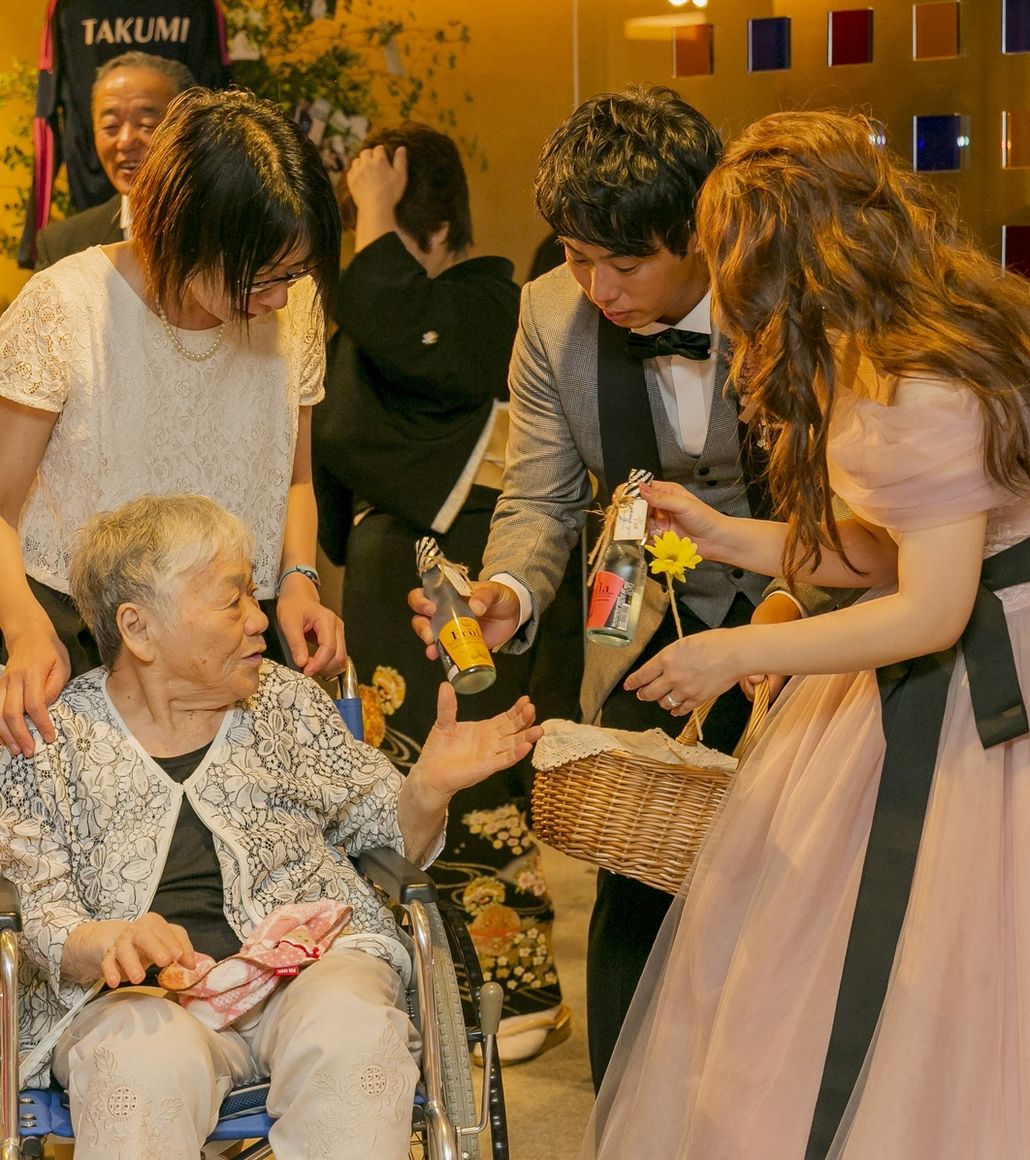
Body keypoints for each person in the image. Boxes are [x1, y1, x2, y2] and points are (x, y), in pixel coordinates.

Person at [586, 109, 1030, 1159]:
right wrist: (722, 532)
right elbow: (897, 551)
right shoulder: (898, 338)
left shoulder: (915, 384)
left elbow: (931, 609)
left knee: (1018, 959)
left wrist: (733, 650)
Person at [409, 86, 841, 1087]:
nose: (598, 287)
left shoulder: (795, 292)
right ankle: (629, 1106)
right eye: (576, 256)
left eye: (626, 263)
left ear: (700, 231)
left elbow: (853, 505)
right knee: (636, 882)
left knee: (797, 888)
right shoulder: (547, 314)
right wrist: (507, 593)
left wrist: (784, 618)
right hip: (644, 625)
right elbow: (538, 493)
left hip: (809, 621)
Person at [0, 493, 541, 1159]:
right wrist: (105, 941)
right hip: (139, 1000)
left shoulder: (284, 702)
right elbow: (38, 909)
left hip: (312, 971)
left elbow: (387, 836)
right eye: (232, 601)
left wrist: (428, 787)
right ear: (138, 629)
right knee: (138, 1066)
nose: (260, 618)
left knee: (353, 1035)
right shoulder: (49, 739)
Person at [313, 122, 574, 1059]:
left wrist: (373, 213)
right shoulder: (376, 312)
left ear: (426, 227)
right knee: (394, 775)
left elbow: (409, 340)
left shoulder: (490, 298)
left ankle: (520, 991)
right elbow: (338, 431)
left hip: (466, 569)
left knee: (476, 766)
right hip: (382, 566)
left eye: (384, 228)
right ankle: (426, 987)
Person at [0, 87, 345, 761]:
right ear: (186, 233)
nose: (281, 298)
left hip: (234, 646)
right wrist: (25, 630)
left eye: (295, 274)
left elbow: (294, 479)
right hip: (79, 641)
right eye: (261, 278)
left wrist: (299, 579)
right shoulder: (66, 308)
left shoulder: (293, 305)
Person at [35, 52, 195, 269]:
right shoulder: (62, 245)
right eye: (111, 126)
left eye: (146, 124)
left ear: (188, 129)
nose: (125, 141)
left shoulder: (228, 231)